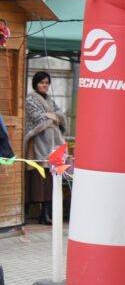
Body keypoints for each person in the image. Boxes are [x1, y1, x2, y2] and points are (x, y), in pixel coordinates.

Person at [23, 71, 68, 225]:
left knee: (50, 179)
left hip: (52, 145)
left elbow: (61, 116)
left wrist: (53, 116)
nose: (45, 85)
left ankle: (46, 214)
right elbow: (38, 118)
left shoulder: (49, 99)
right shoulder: (30, 99)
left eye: (47, 83)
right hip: (36, 145)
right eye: (42, 82)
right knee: (36, 178)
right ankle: (26, 213)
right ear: (35, 83)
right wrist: (53, 117)